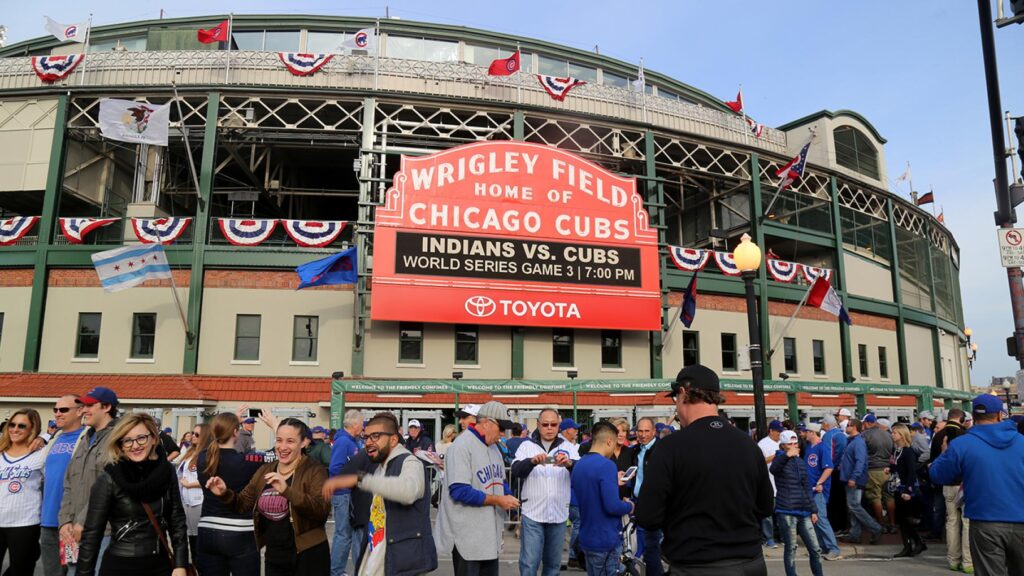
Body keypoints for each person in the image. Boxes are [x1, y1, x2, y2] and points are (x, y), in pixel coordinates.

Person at [637, 365, 774, 576]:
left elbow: (647, 516)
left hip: (696, 564)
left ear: (683, 392)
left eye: (676, 399)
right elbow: (765, 506)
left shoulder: (670, 447)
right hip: (750, 562)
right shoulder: (748, 445)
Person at [206, 418, 331, 575]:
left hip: (308, 554)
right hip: (275, 555)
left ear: (304, 442)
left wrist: (287, 491)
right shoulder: (265, 470)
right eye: (279, 440)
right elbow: (243, 504)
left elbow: (321, 510)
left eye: (290, 441)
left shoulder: (315, 470)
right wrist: (225, 493)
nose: (282, 447)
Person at [321, 412, 437, 575]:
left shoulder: (410, 462)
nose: (368, 442)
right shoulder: (381, 467)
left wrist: (360, 479)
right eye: (366, 437)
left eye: (375, 436)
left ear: (394, 439)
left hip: (401, 563)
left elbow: (409, 491)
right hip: (378, 559)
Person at [76, 412, 189, 576]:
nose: (135, 445)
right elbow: (92, 535)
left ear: (154, 438)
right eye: (127, 440)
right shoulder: (109, 478)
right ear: (120, 445)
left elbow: (177, 520)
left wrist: (180, 564)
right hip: (120, 566)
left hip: (160, 564)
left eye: (141, 438)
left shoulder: (167, 472)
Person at [931, 395, 1024, 576]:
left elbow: (937, 474)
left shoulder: (962, 444)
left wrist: (944, 453)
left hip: (985, 521)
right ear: (999, 415)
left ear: (973, 415)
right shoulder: (1021, 441)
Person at [435, 401, 520, 576]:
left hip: (489, 537)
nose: (504, 433)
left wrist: (509, 498)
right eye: (501, 427)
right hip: (467, 538)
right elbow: (459, 491)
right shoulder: (461, 446)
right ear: (487, 422)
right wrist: (498, 500)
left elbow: (500, 481)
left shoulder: (495, 448)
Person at [510, 408, 578, 576]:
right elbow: (516, 470)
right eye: (545, 424)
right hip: (533, 513)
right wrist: (531, 461)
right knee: (529, 563)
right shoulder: (526, 446)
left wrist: (570, 464)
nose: (549, 428)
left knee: (553, 565)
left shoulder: (569, 447)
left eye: (553, 424)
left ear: (559, 425)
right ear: (538, 425)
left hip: (558, 514)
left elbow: (581, 474)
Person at [60, 387, 120, 575]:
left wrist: (83, 522)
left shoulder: (118, 439)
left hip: (102, 531)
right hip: (74, 531)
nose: (84, 410)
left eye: (89, 405)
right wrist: (65, 521)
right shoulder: (84, 438)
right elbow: (69, 483)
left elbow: (109, 488)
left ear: (107, 407)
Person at [195, 412, 263, 575]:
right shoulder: (246, 461)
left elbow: (213, 442)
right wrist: (275, 427)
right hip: (240, 530)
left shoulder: (203, 458)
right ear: (235, 432)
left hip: (208, 528)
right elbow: (277, 454)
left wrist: (228, 424)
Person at [572, 421, 633, 576]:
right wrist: (629, 506)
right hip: (605, 539)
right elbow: (612, 506)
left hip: (587, 537)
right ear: (609, 441)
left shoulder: (579, 465)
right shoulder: (607, 465)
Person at [40, 396, 86, 576]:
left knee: (74, 569)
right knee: (52, 573)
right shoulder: (53, 439)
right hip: (49, 520)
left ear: (80, 411)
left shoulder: (87, 438)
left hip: (71, 521)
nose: (58, 413)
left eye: (64, 410)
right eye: (56, 409)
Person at [771, 430, 823, 576]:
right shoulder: (779, 458)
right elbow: (774, 469)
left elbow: (806, 486)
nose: (794, 446)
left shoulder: (800, 461)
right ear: (783, 445)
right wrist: (787, 455)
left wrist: (813, 510)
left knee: (815, 549)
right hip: (786, 510)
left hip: (804, 510)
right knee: (791, 548)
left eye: (795, 443)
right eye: (790, 444)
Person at [0, 408, 45, 575]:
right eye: (12, 424)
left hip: (25, 523)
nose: (15, 429)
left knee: (21, 571)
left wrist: (44, 438)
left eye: (21, 426)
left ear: (32, 429)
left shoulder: (41, 454)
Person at [930, 408, 971, 572]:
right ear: (961, 419)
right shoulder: (966, 436)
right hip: (964, 483)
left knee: (952, 521)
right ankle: (968, 561)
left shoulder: (938, 436)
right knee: (967, 523)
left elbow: (933, 460)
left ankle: (953, 559)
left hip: (947, 484)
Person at [329, 409, 364, 576]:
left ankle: (340, 570)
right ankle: (336, 571)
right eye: (362, 423)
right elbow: (335, 468)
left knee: (348, 533)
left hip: (348, 493)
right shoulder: (344, 442)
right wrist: (354, 479)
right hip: (343, 493)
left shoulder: (351, 441)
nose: (363, 426)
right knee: (343, 534)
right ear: (355, 424)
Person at [838, 419, 881, 544]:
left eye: (849, 425)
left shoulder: (857, 442)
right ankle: (854, 534)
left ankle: (875, 528)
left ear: (854, 427)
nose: (847, 427)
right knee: (853, 507)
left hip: (853, 479)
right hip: (850, 478)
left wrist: (854, 477)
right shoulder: (853, 441)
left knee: (854, 506)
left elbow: (860, 461)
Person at [801, 424, 841, 561]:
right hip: (810, 488)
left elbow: (829, 468)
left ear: (813, 432)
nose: (805, 434)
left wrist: (819, 483)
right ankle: (822, 547)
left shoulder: (822, 447)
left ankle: (833, 549)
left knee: (821, 519)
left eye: (807, 432)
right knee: (815, 520)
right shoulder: (809, 448)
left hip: (818, 489)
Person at [630, 417, 663, 576]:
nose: (643, 435)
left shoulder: (662, 449)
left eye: (646, 431)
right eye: (640, 431)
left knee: (651, 545)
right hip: (637, 501)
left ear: (654, 431)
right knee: (645, 544)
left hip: (656, 503)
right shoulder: (635, 450)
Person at [889, 423, 925, 558]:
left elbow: (911, 472)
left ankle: (913, 543)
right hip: (898, 487)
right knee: (902, 519)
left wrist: (908, 491)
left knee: (906, 519)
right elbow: (896, 466)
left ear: (902, 435)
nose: (892, 435)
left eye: (895, 433)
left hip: (905, 488)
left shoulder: (908, 451)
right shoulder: (897, 450)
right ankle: (910, 544)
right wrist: (890, 469)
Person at [860, 413, 895, 533]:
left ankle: (881, 524)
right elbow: (894, 452)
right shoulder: (888, 435)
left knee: (875, 497)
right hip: (887, 470)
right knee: (889, 497)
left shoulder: (865, 435)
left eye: (864, 423)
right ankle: (892, 524)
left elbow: (861, 453)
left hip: (872, 469)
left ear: (867, 423)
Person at [177, 423, 206, 565]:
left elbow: (210, 478)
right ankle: (195, 565)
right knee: (190, 536)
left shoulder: (206, 454)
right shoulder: (190, 452)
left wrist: (190, 484)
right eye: (192, 433)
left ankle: (200, 566)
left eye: (197, 435)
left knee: (198, 538)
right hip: (186, 500)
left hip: (198, 500)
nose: (193, 436)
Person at [756, 420, 785, 548]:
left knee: (781, 513)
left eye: (781, 432)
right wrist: (774, 457)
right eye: (777, 432)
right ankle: (768, 538)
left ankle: (782, 536)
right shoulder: (763, 444)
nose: (779, 434)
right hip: (769, 483)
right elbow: (758, 462)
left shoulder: (783, 442)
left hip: (782, 484)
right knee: (768, 513)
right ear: (771, 431)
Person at [821, 414, 848, 534]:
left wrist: (828, 467)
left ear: (827, 424)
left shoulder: (829, 435)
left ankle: (836, 526)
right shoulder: (841, 434)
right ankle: (843, 525)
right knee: (841, 499)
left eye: (823, 423)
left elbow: (829, 455)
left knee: (833, 500)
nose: (822, 426)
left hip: (833, 471)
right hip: (842, 471)